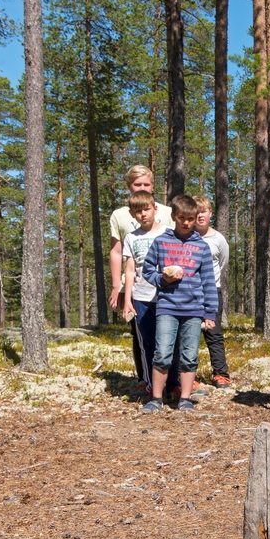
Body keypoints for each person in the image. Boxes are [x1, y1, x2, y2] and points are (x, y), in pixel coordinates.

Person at [139, 194, 217, 413]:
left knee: (189, 355)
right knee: (162, 352)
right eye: (182, 217)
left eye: (191, 218)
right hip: (167, 307)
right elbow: (147, 270)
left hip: (193, 309)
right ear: (173, 216)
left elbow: (209, 282)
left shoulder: (201, 246)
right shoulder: (161, 241)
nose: (186, 222)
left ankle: (185, 399)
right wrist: (162, 280)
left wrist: (210, 312)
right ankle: (156, 398)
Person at [109, 166, 173, 398]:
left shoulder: (167, 212)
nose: (142, 188)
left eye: (146, 184)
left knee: (170, 334)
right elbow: (118, 253)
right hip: (137, 287)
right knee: (141, 336)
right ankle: (144, 379)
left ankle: (174, 380)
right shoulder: (119, 215)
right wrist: (117, 286)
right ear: (129, 186)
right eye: (137, 185)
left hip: (167, 289)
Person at [120, 191, 165, 401]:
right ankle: (149, 384)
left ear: (155, 208)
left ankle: (172, 384)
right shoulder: (131, 237)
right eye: (138, 211)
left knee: (168, 342)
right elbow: (129, 270)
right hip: (141, 297)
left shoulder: (168, 233)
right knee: (146, 343)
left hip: (167, 297)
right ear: (132, 214)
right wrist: (127, 300)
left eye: (146, 209)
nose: (143, 214)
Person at [192, 195, 232, 388]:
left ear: (210, 213)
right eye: (197, 212)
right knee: (188, 335)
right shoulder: (186, 236)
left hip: (212, 292)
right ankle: (187, 375)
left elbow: (223, 263)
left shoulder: (218, 239)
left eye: (204, 211)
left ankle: (221, 374)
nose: (200, 216)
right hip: (188, 293)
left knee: (213, 334)